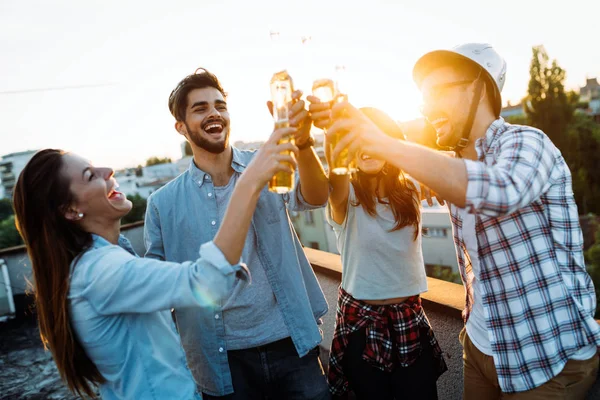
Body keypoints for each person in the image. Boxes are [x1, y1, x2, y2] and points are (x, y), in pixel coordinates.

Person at [325, 43, 600, 399]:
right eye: (423, 98)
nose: (426, 108)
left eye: (438, 92)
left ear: (478, 88)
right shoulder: (451, 162)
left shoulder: (529, 143)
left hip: (545, 357)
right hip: (481, 347)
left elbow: (499, 191)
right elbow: (398, 177)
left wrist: (381, 141)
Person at [11, 137, 297, 399]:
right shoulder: (99, 270)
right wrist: (249, 182)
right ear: (70, 210)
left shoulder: (105, 258)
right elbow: (207, 281)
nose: (108, 170)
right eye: (90, 175)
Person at [143, 67, 331, 399]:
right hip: (220, 359)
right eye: (200, 108)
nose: (214, 113)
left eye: (219, 105)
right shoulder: (162, 204)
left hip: (291, 344)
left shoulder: (270, 162)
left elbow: (317, 196)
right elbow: (159, 291)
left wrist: (302, 142)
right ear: (181, 127)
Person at [306, 104, 447, 399]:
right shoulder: (346, 197)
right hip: (362, 327)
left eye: (373, 139)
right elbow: (337, 170)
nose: (366, 148)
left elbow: (444, 165)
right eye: (356, 141)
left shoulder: (410, 189)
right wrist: (333, 132)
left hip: (410, 321)